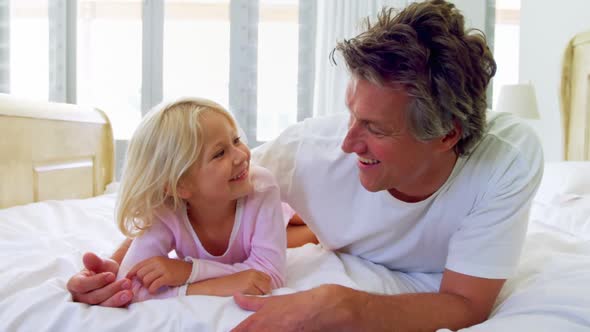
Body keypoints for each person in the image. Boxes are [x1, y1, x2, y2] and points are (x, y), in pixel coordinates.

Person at [67, 0, 544, 330]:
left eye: (375, 128)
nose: (347, 140)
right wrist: (110, 270)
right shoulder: (304, 152)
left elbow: (466, 303)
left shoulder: (506, 161)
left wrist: (347, 307)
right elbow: (178, 196)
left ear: (446, 136)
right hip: (309, 225)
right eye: (350, 112)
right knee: (294, 223)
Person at [82, 97, 287, 303]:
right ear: (179, 186)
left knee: (300, 229)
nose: (241, 156)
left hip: (270, 214)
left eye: (235, 140)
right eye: (219, 153)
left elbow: (270, 274)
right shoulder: (165, 211)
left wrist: (189, 271)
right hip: (246, 233)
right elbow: (132, 287)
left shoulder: (262, 186)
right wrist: (218, 285)